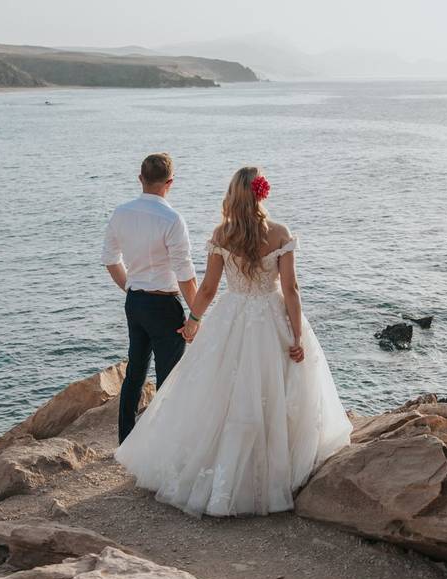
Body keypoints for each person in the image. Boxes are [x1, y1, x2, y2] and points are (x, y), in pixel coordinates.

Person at [115, 166, 352, 517]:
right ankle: (275, 474)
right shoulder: (280, 233)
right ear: (262, 193)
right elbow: (291, 290)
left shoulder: (222, 234)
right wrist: (297, 335)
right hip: (271, 317)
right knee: (278, 392)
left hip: (232, 316)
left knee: (222, 392)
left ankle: (223, 474)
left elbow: (208, 288)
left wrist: (193, 321)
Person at [102, 153, 197, 444]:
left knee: (135, 372)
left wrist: (130, 287)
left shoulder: (121, 212)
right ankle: (163, 443)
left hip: (135, 302)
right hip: (164, 306)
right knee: (170, 378)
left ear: (141, 178)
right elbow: (185, 275)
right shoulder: (172, 219)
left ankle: (127, 440)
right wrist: (197, 315)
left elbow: (110, 259)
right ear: (170, 182)